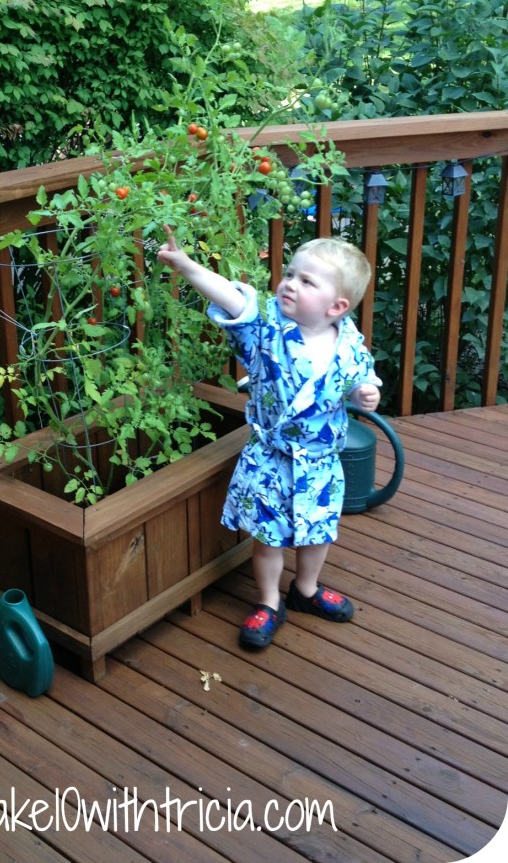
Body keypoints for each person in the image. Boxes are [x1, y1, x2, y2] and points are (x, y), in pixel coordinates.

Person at [157, 229, 381, 649]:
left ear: (337, 306)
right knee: (268, 537)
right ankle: (269, 601)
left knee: (319, 533)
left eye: (306, 281)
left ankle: (307, 590)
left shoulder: (349, 347)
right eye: (290, 273)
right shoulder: (267, 331)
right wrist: (186, 265)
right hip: (270, 460)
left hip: (319, 464)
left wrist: (365, 394)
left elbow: (360, 382)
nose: (289, 283)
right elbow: (231, 298)